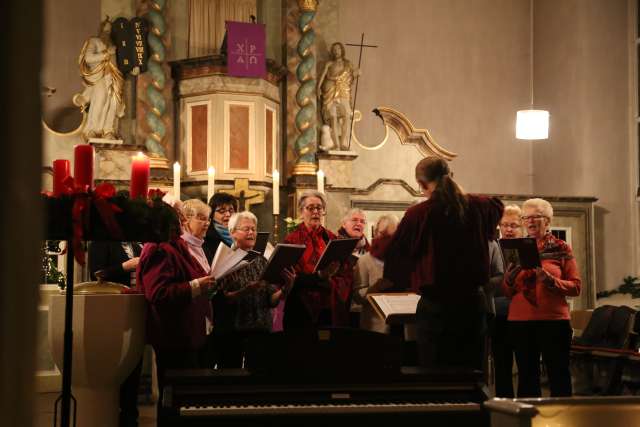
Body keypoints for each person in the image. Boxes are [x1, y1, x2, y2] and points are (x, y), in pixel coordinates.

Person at [384, 157, 503, 371]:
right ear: (450, 175)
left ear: (421, 184)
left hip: (436, 310)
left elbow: (396, 258)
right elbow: (496, 207)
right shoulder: (480, 206)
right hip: (472, 306)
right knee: (471, 374)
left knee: (437, 374)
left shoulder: (418, 213)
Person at [136, 201, 215, 426]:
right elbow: (158, 293)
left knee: (188, 400)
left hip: (190, 334)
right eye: (178, 220)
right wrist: (197, 285)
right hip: (174, 337)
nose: (181, 224)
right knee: (175, 401)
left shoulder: (178, 246)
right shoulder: (160, 248)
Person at [504, 198, 581, 397]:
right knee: (527, 379)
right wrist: (509, 280)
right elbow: (507, 292)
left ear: (547, 221)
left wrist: (552, 282)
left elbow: (576, 287)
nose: (529, 221)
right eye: (525, 217)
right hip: (520, 322)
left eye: (535, 217)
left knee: (559, 377)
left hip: (553, 321)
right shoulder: (514, 248)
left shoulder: (561, 248)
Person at [212, 211, 295, 367]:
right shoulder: (224, 259)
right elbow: (220, 300)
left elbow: (271, 300)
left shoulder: (260, 260)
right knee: (230, 378)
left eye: (253, 229)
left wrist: (285, 288)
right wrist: (245, 291)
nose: (251, 233)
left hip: (260, 331)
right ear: (232, 232)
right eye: (246, 229)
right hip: (232, 333)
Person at [89, 241, 142, 427]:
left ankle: (130, 415)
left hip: (136, 307)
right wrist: (126, 266)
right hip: (112, 310)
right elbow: (95, 274)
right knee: (116, 362)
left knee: (134, 360)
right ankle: (110, 413)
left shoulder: (136, 244)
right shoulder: (102, 242)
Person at [282, 190, 344, 329]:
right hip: (299, 307)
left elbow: (342, 271)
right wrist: (320, 275)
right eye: (310, 208)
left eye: (319, 208)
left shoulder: (331, 238)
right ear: (301, 212)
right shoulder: (292, 239)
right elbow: (289, 277)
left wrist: (333, 279)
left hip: (326, 306)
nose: (315, 212)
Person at [74, 17, 125, 140]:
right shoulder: (94, 41)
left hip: (112, 76)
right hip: (99, 76)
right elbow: (88, 58)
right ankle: (92, 130)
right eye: (105, 29)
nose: (107, 32)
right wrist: (106, 53)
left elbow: (116, 64)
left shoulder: (113, 45)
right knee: (100, 99)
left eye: (109, 30)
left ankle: (108, 130)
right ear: (101, 29)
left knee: (112, 102)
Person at [491, 204, 523, 397]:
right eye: (505, 225)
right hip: (499, 314)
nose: (509, 230)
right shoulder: (493, 246)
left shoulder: (528, 248)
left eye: (514, 225)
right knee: (501, 364)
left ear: (522, 227)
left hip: (524, 315)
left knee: (525, 364)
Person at [353, 215, 399, 333]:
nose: (387, 240)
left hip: (402, 325)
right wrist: (375, 288)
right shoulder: (365, 260)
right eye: (383, 234)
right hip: (376, 326)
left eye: (391, 236)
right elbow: (357, 296)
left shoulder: (404, 259)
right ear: (376, 233)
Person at [317, 42, 358, 150]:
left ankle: (342, 142)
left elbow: (351, 76)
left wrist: (357, 73)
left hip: (344, 92)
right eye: (334, 49)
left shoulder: (348, 64)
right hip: (331, 91)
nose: (336, 51)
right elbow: (322, 78)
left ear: (342, 50)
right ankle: (336, 145)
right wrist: (318, 88)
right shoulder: (329, 64)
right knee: (333, 118)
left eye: (338, 49)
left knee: (346, 117)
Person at [337, 208, 370, 327]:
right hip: (341, 306)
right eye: (354, 220)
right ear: (344, 224)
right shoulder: (335, 246)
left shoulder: (369, 249)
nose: (359, 224)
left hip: (363, 307)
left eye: (362, 221)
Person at [203, 192, 237, 263]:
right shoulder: (205, 236)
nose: (228, 214)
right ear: (211, 214)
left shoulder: (240, 233)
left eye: (231, 211)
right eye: (222, 211)